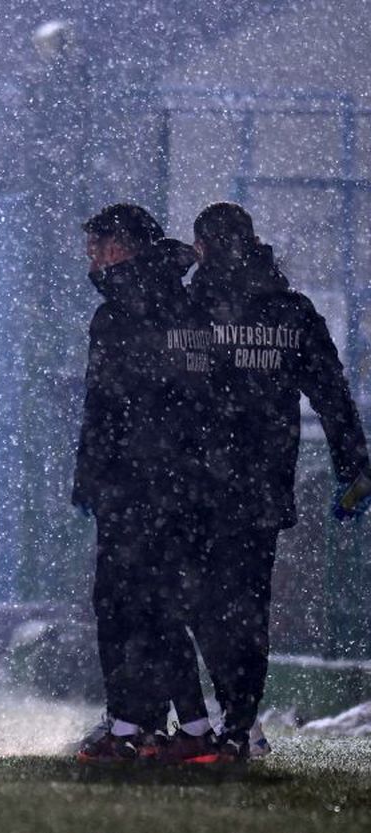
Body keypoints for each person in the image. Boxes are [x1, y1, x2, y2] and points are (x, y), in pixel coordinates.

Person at [187, 202, 370, 760]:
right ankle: (240, 722)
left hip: (192, 484)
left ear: (201, 247)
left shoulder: (191, 308)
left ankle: (233, 719)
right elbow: (333, 397)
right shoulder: (290, 312)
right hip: (260, 484)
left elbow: (157, 395)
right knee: (244, 607)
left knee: (200, 606)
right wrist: (353, 471)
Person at [70, 203, 217, 764]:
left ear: (120, 248)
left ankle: (129, 727)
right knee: (165, 606)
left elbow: (105, 406)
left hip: (133, 485)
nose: (91, 259)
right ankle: (191, 726)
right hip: (188, 484)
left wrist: (92, 476)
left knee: (120, 604)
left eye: (97, 247)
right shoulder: (189, 304)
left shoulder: (118, 316)